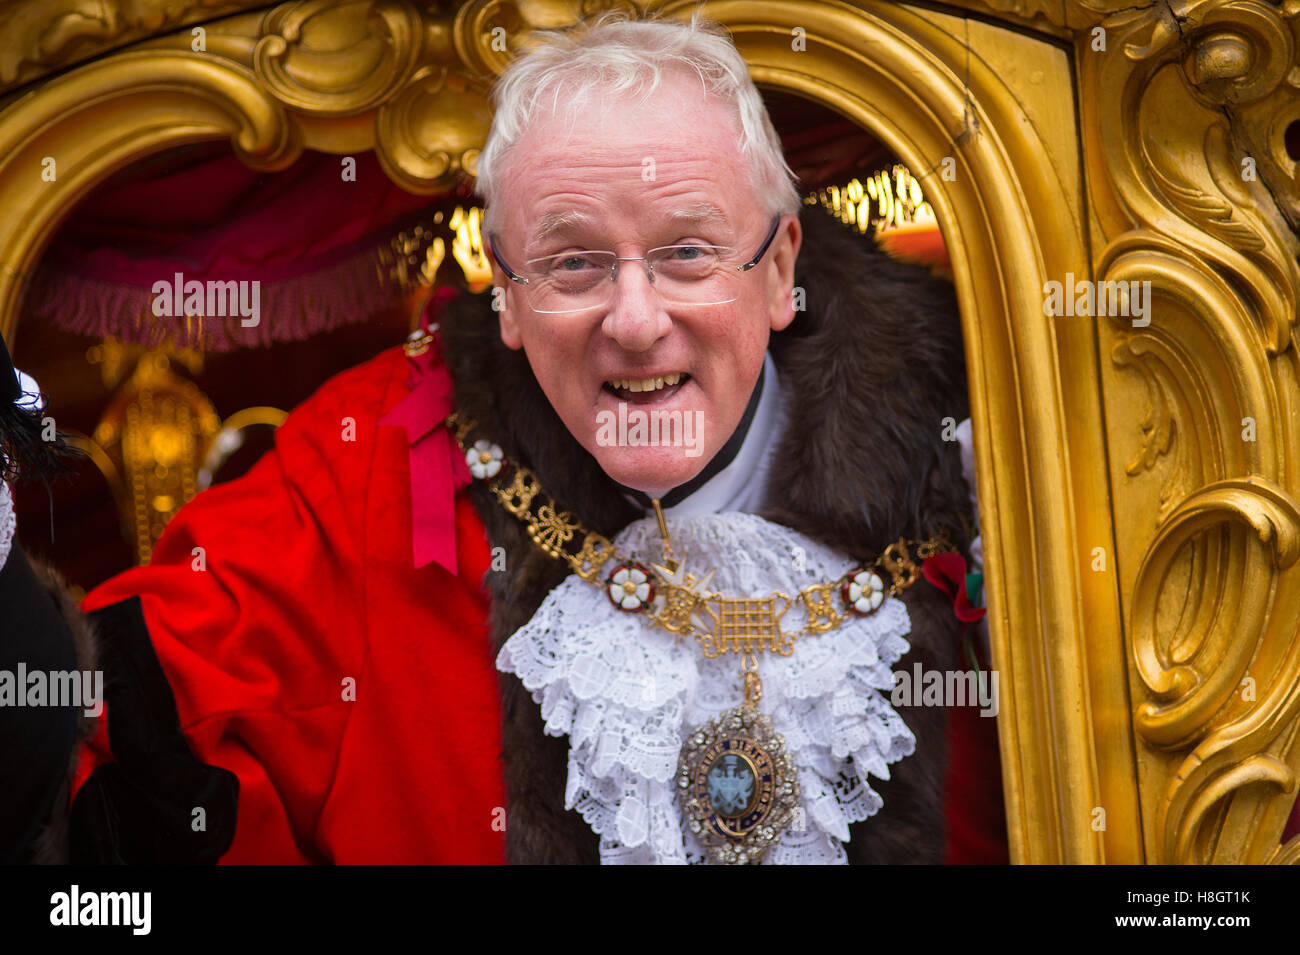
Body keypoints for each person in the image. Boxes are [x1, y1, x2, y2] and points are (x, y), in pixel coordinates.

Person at [14, 12, 1005, 864]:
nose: (633, 319)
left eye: (687, 252)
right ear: (508, 292)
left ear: (779, 261)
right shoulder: (368, 465)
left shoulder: (996, 444)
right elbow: (113, 740)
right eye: (572, 263)